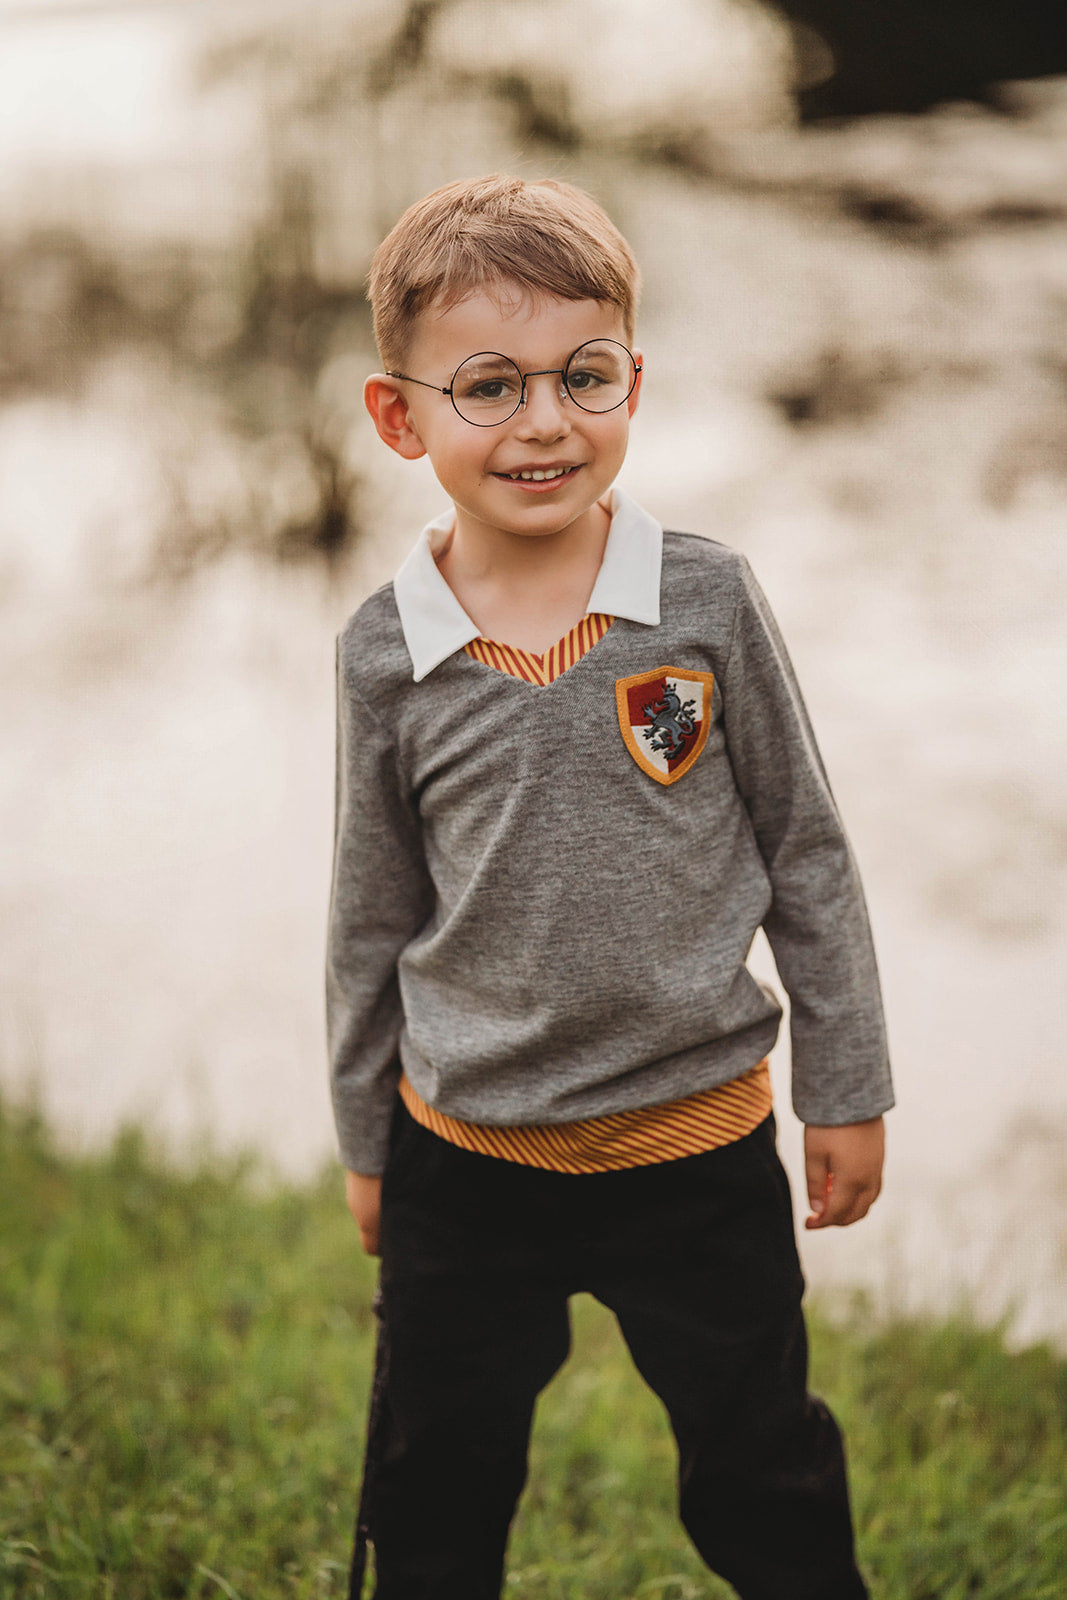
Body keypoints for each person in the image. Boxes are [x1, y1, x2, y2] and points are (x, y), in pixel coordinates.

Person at [326, 173, 893, 1600]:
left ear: (633, 380)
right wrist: (365, 1138)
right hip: (467, 1155)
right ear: (399, 416)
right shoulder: (387, 652)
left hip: (697, 1147)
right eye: (489, 386)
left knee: (764, 1473)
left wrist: (846, 1085)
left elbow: (807, 853)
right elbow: (371, 915)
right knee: (435, 1489)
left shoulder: (704, 601)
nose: (544, 422)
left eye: (584, 376)